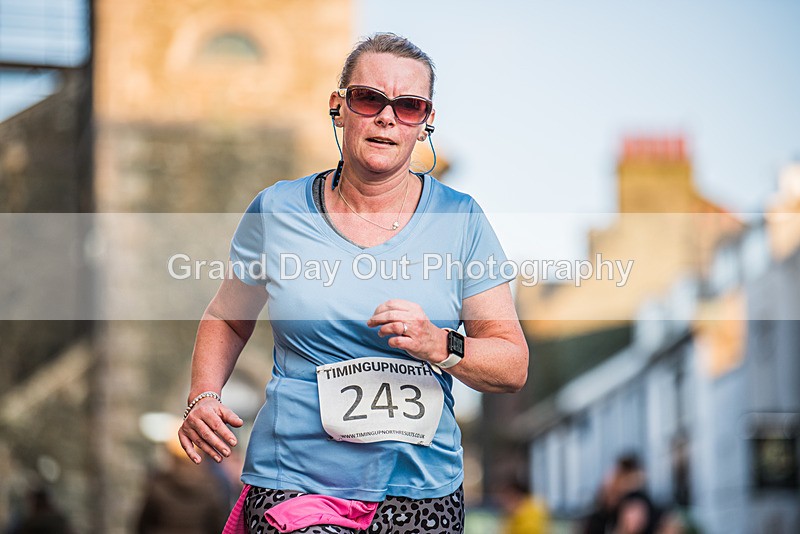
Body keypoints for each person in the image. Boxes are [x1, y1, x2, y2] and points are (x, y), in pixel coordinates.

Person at [178, 32, 528, 534]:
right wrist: (202, 395)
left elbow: (512, 364)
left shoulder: (461, 219)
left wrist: (440, 344)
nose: (387, 116)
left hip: (419, 488)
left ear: (426, 123)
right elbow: (227, 318)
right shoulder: (278, 210)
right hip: (297, 479)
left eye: (409, 106)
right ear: (339, 107)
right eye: (370, 99)